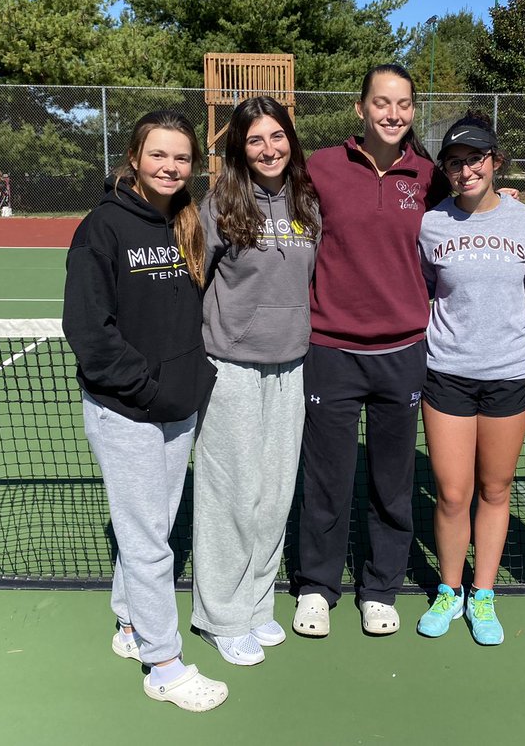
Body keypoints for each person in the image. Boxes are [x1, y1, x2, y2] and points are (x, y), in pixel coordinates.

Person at [61, 110, 227, 712]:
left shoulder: (185, 224)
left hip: (175, 407)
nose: (170, 167)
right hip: (125, 411)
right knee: (148, 541)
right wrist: (153, 389)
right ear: (134, 158)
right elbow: (87, 331)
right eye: (159, 155)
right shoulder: (101, 229)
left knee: (151, 530)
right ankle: (164, 663)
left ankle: (131, 624)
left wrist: (190, 381)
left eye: (181, 158)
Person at [292, 64, 447, 638]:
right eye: (382, 102)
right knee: (327, 478)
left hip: (403, 351)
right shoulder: (322, 167)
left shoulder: (429, 176)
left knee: (391, 479)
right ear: (360, 108)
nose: (393, 113)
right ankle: (317, 585)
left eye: (404, 103)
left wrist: (504, 194)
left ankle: (380, 588)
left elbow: (470, 209)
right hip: (329, 349)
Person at [190, 96, 320, 666]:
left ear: (290, 139)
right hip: (231, 369)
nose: (269, 149)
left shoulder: (306, 201)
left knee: (274, 496)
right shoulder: (219, 204)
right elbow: (192, 278)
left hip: (290, 365)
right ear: (240, 149)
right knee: (231, 496)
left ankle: (257, 603)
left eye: (277, 136)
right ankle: (220, 616)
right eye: (255, 140)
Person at [414, 112, 525, 646]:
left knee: (495, 488)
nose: (466, 170)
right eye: (456, 162)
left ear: (495, 161)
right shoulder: (430, 224)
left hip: (509, 374)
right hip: (446, 374)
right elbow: (420, 289)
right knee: (451, 492)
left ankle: (482, 594)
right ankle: (450, 588)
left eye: (475, 159)